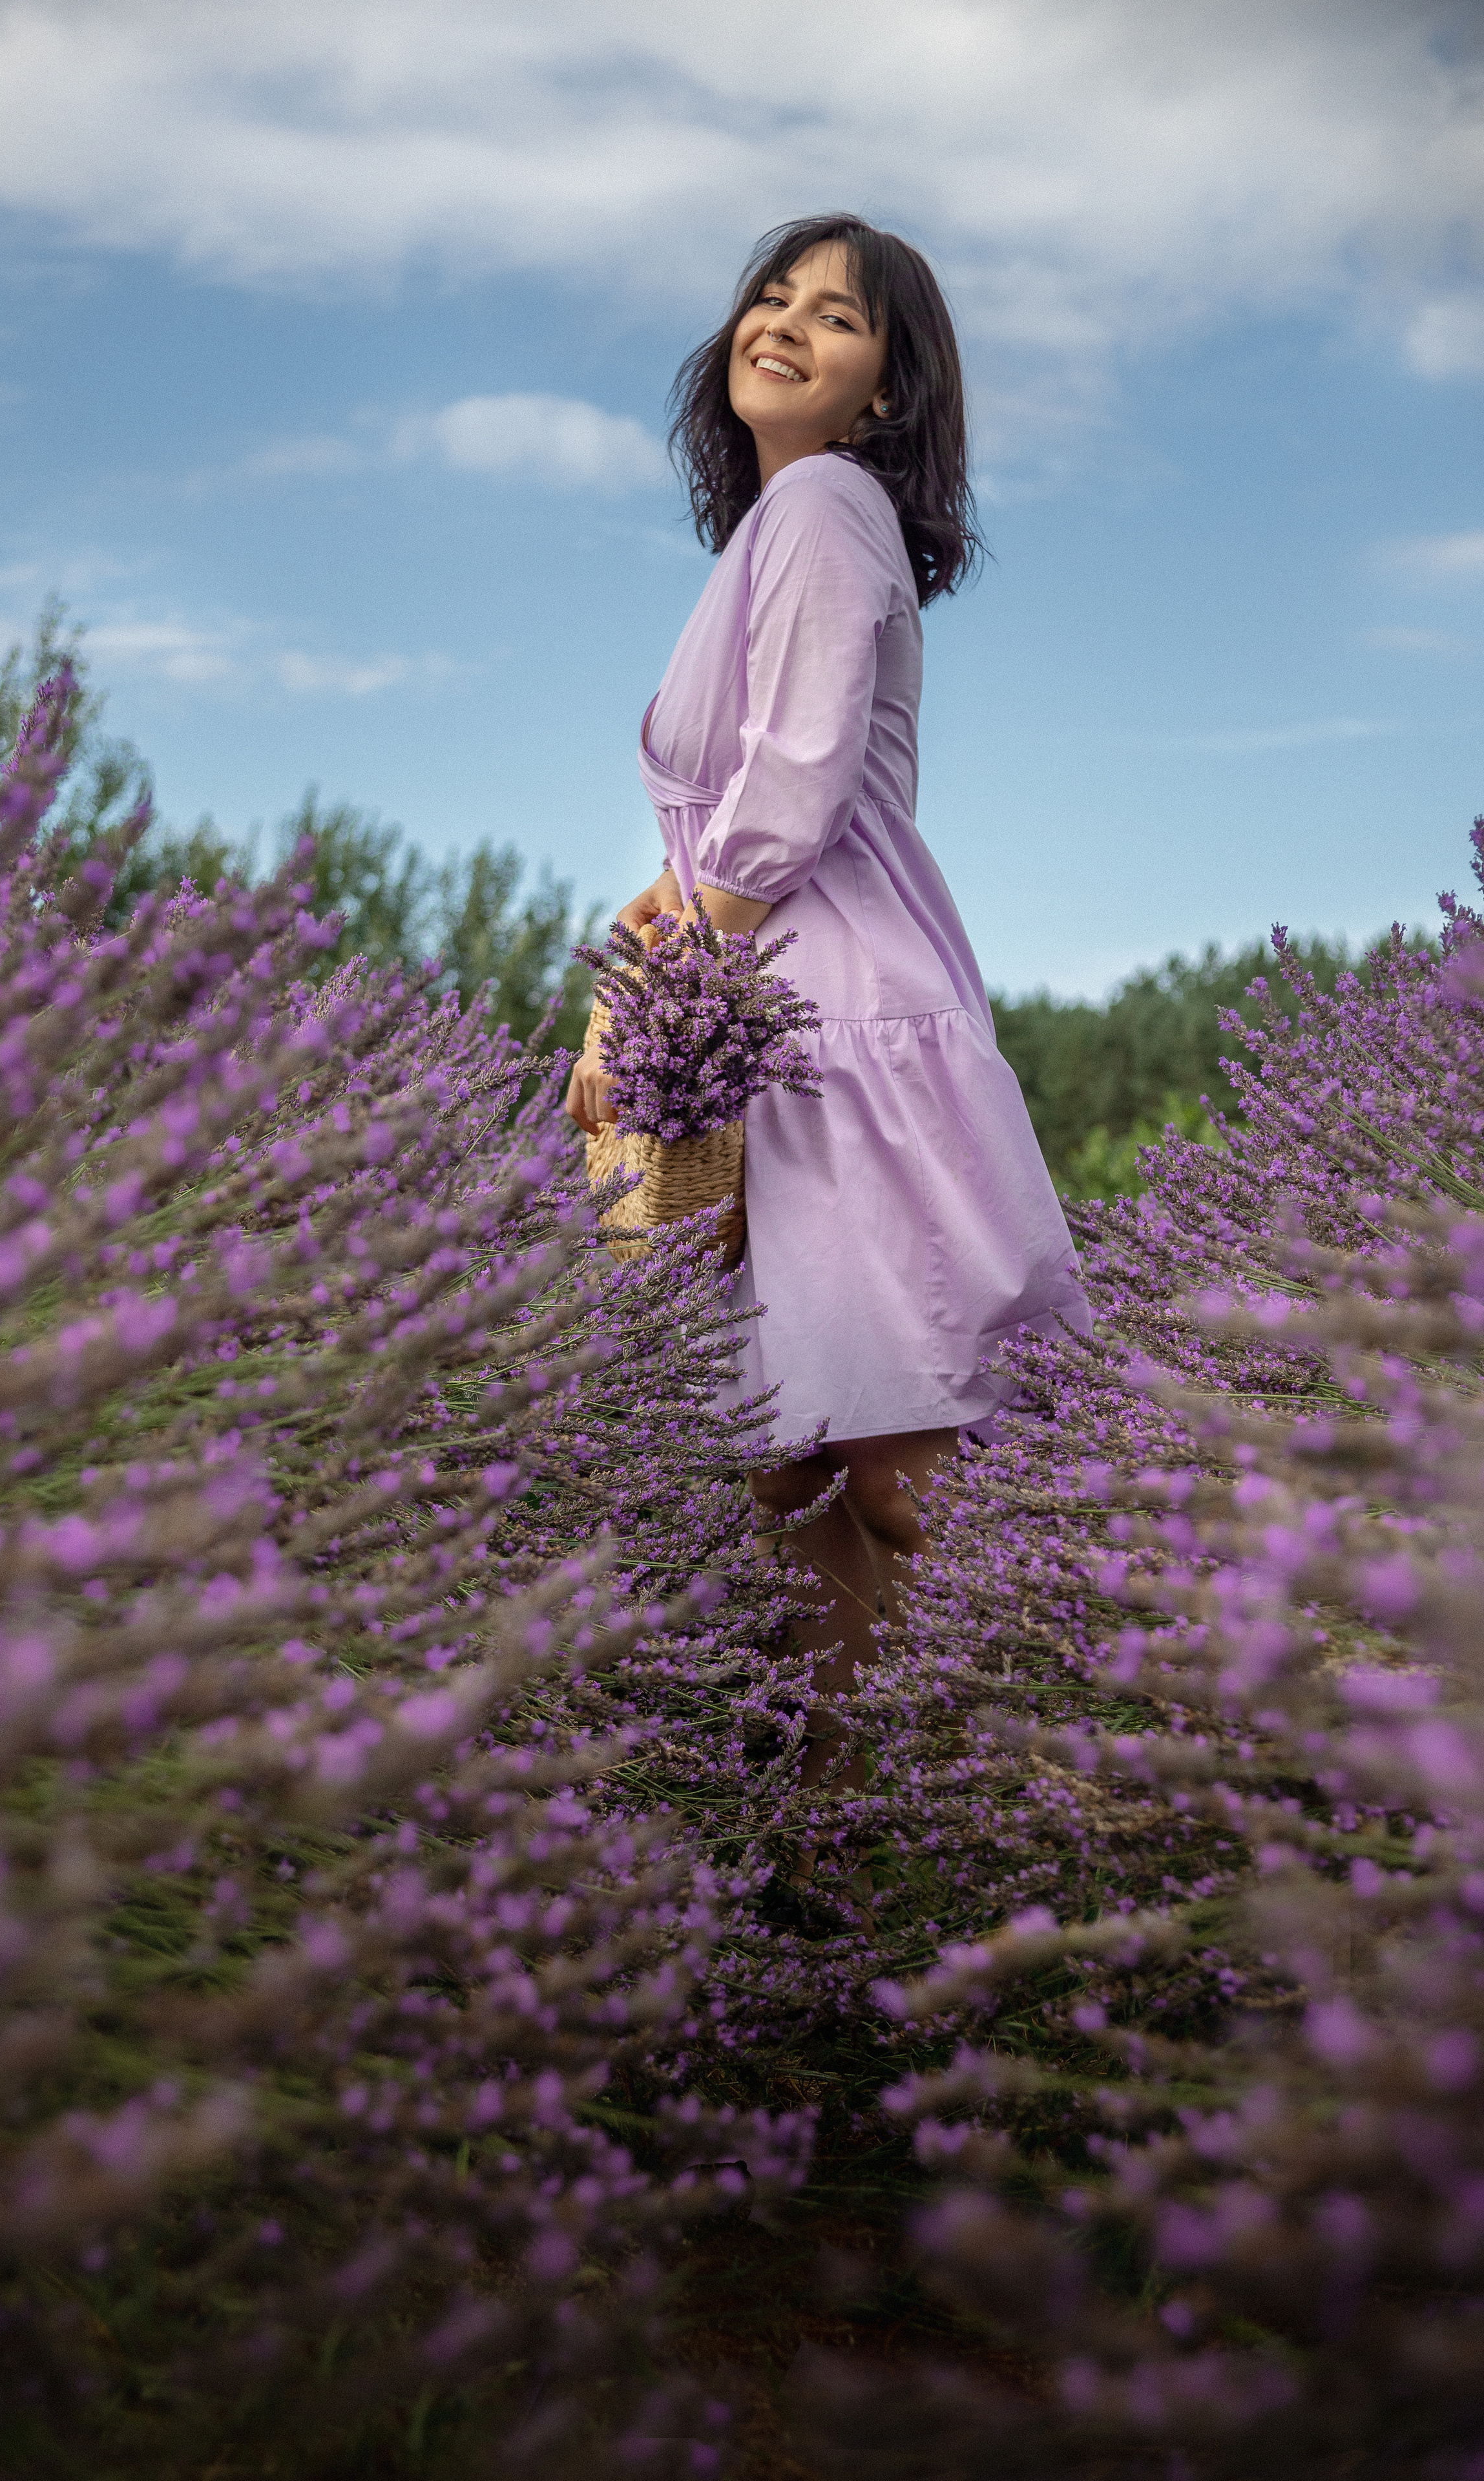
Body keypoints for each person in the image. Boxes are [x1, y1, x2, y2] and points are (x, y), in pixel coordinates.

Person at [566, 213, 1089, 1778]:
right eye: (769, 296)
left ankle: (1110, 1774)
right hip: (777, 1016)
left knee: (903, 1478)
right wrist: (641, 944)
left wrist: (656, 991)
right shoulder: (778, 527)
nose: (784, 323)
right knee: (794, 1485)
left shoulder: (820, 502)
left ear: (884, 392)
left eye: (837, 316)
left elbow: (792, 786)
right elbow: (740, 812)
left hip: (830, 1021)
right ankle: (840, 1844)